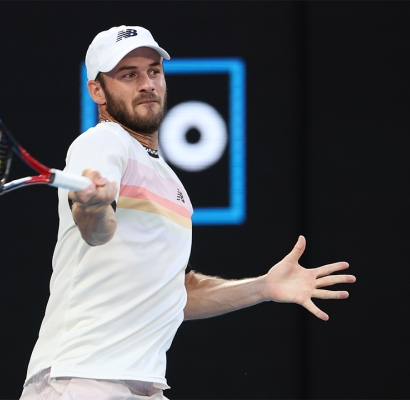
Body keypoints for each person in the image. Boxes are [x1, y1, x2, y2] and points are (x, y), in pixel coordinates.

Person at [20, 25, 356, 400]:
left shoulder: (170, 182)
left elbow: (178, 292)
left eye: (153, 71)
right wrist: (94, 207)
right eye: (128, 75)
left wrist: (263, 287)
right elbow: (96, 230)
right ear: (97, 91)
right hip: (80, 379)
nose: (146, 84)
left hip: (140, 385)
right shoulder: (102, 142)